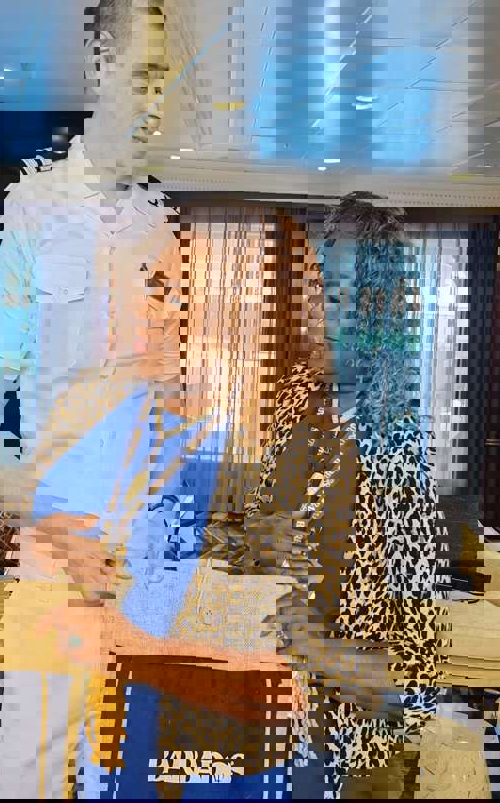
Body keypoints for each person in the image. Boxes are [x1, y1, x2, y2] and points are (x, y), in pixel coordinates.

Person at [0, 0, 294, 798]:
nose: (155, 100)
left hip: (148, 580)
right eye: (142, 76)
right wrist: (48, 524)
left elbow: (166, 409)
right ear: (98, 64)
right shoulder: (35, 210)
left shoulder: (159, 228)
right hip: (59, 564)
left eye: (165, 80)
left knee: (127, 779)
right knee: (29, 778)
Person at [248, 194, 446, 797]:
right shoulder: (294, 399)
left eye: (335, 297)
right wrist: (263, 535)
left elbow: (417, 681)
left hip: (346, 758)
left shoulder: (399, 454)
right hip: (260, 721)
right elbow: (260, 525)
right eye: (317, 288)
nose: (312, 311)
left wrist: (314, 648)